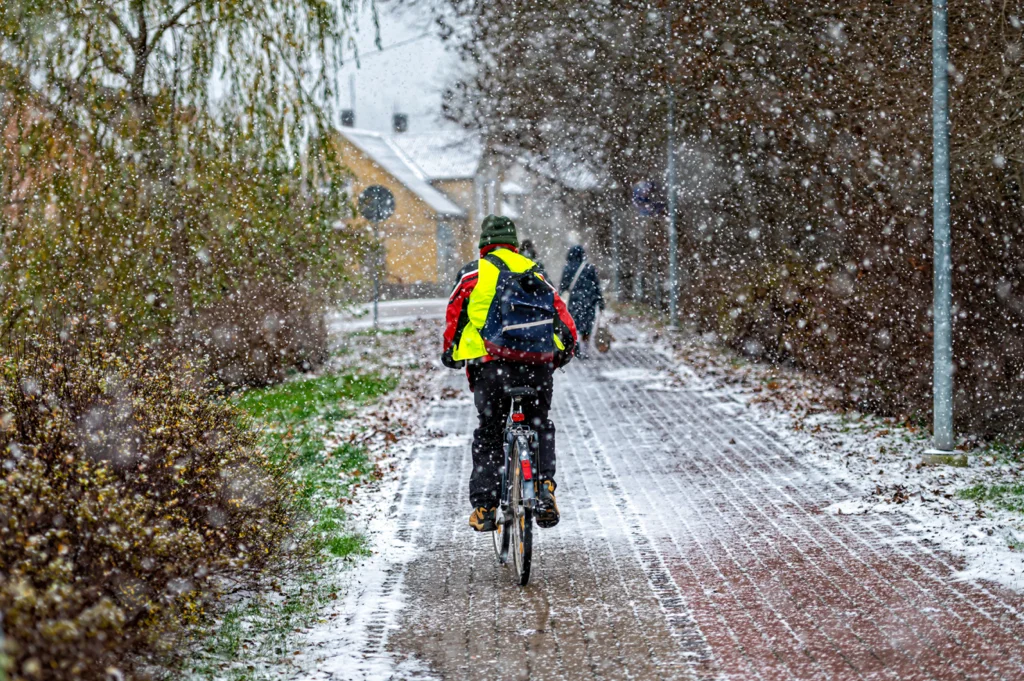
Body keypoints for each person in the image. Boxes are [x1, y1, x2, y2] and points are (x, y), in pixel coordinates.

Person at [442, 215, 578, 531]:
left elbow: (453, 317)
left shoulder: (472, 273)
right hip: (536, 367)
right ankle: (544, 489)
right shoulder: (535, 272)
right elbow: (563, 319)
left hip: (490, 370)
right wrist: (562, 354)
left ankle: (486, 507)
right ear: (514, 245)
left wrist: (450, 352)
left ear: (483, 245)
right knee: (539, 424)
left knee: (489, 432)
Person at [559, 245, 605, 355]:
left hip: (574, 301)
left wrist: (560, 297)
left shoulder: (567, 268)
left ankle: (576, 344)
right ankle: (584, 347)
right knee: (587, 324)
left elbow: (563, 286)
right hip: (589, 301)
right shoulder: (589, 268)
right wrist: (600, 301)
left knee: (575, 323)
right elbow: (596, 286)